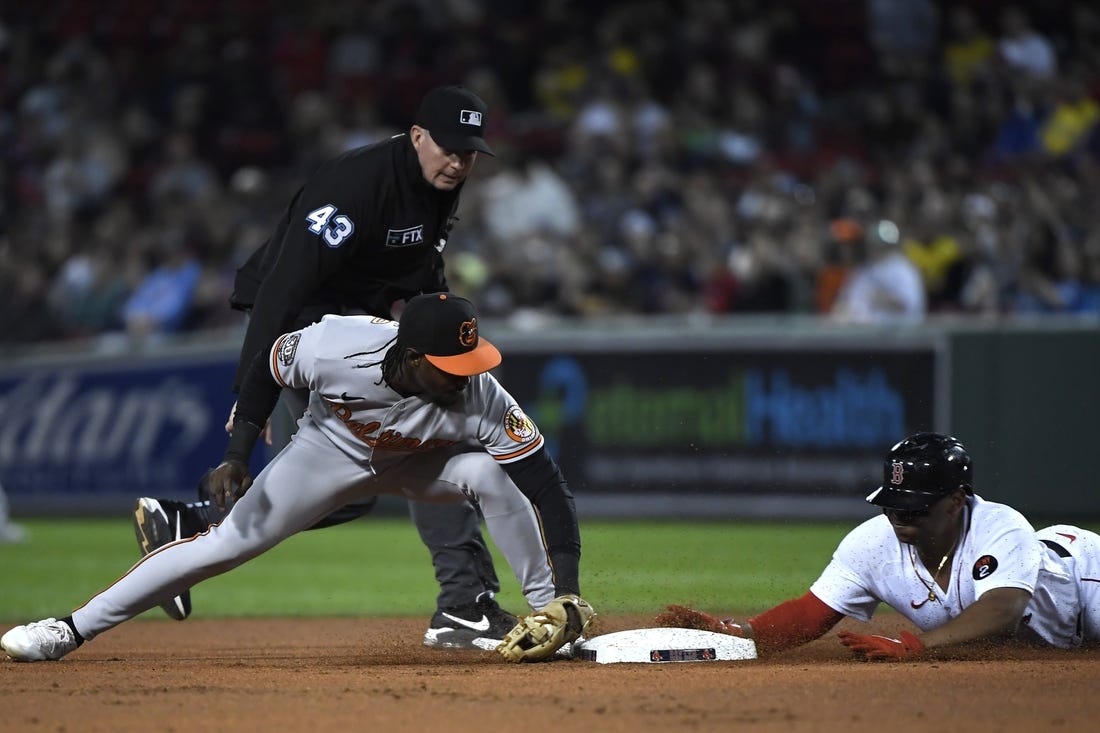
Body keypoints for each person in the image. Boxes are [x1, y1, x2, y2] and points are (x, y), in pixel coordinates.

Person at [129, 84, 516, 650]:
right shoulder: (352, 189)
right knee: (429, 444)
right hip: (305, 326)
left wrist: (446, 343)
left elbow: (423, 274)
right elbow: (279, 300)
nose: (460, 161)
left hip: (358, 321)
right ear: (416, 137)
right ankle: (463, 604)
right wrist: (245, 425)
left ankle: (194, 524)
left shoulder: (439, 184)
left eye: (470, 151)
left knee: (354, 491)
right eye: (449, 148)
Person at [2, 293, 590, 662]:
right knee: (226, 546)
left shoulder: (480, 393)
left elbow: (547, 486)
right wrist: (237, 452)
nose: (467, 377)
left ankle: (550, 614)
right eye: (452, 368)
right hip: (327, 454)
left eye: (471, 363)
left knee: (493, 473)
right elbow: (267, 365)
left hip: (416, 463)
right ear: (412, 357)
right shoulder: (339, 344)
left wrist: (568, 588)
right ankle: (68, 629)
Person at [657, 432, 1100, 659]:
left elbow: (1002, 611)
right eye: (894, 504)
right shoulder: (872, 543)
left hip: (1085, 583)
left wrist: (917, 645)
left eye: (915, 505)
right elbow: (810, 614)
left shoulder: (1001, 527)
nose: (900, 515)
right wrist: (741, 635)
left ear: (956, 501)